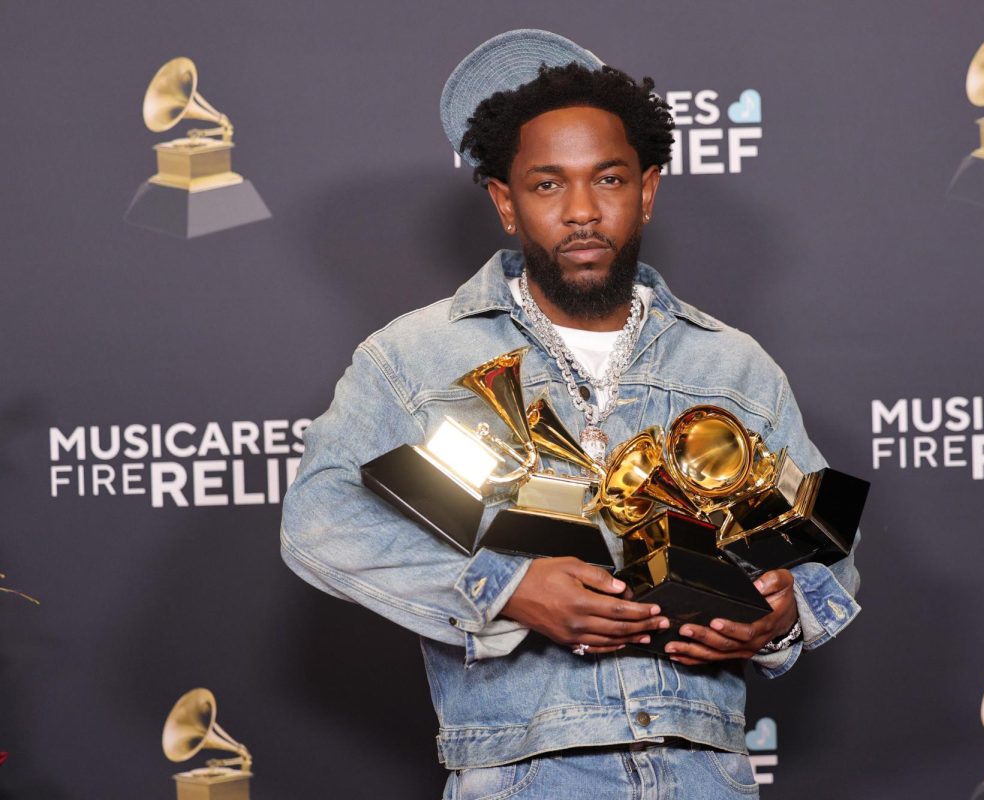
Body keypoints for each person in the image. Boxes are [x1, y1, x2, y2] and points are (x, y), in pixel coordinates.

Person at [281, 29, 861, 800]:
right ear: (505, 203)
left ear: (647, 190)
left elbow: (826, 554)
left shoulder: (733, 365)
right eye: (549, 185)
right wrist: (505, 591)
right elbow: (319, 520)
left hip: (707, 773)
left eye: (609, 179)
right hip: (525, 775)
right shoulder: (411, 357)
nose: (583, 211)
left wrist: (779, 619)